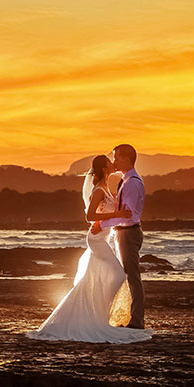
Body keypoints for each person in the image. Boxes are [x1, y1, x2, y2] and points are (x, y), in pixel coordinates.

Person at [26, 152, 153, 343]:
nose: (113, 163)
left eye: (115, 159)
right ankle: (96, 312)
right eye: (110, 162)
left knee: (96, 276)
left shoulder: (106, 187)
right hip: (97, 239)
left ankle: (96, 313)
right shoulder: (99, 190)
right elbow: (90, 217)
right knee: (118, 275)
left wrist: (113, 217)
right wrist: (114, 215)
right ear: (104, 168)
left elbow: (106, 213)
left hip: (104, 237)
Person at [91, 143, 146, 329]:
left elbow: (127, 215)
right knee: (126, 275)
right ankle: (125, 316)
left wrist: (102, 225)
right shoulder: (126, 181)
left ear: (126, 158)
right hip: (123, 233)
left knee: (132, 277)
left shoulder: (132, 183)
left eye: (116, 157)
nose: (114, 161)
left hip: (128, 233)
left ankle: (137, 321)